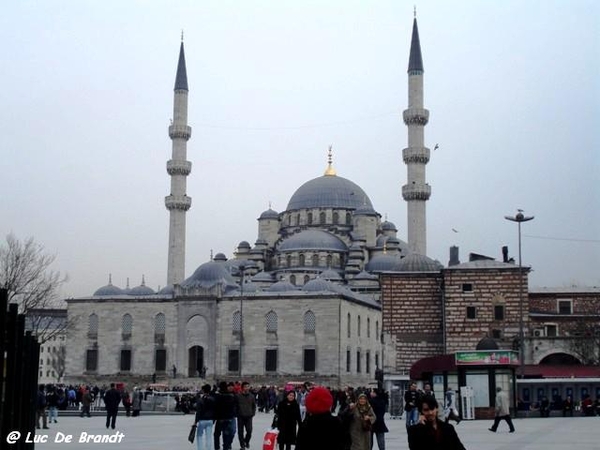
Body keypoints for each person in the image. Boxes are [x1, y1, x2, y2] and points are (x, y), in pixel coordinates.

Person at [214, 381, 237, 450]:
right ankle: (225, 446)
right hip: (226, 417)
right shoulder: (230, 396)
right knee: (225, 433)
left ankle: (220, 447)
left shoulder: (218, 395)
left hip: (223, 417)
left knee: (219, 434)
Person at [236, 381, 256, 450]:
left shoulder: (252, 396)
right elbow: (236, 406)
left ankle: (246, 441)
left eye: (248, 386)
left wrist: (253, 413)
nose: (247, 388)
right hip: (240, 416)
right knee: (240, 432)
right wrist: (237, 413)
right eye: (245, 387)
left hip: (249, 416)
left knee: (249, 431)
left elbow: (254, 406)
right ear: (242, 388)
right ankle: (242, 445)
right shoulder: (238, 396)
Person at [195, 384, 216, 450]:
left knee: (199, 435)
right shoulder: (213, 399)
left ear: (203, 390)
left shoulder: (201, 400)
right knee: (209, 436)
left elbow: (198, 411)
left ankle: (200, 448)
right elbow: (215, 410)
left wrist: (196, 421)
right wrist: (214, 420)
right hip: (210, 420)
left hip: (202, 419)